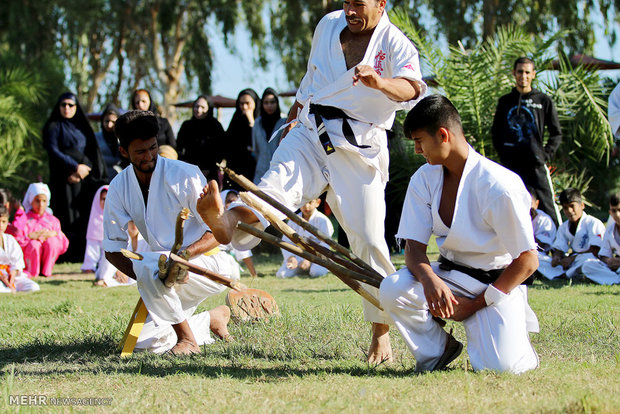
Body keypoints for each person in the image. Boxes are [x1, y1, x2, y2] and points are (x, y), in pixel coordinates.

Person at [197, 0, 426, 363]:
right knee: (272, 190)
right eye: (347, 1)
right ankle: (227, 223)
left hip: (358, 147)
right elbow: (311, 77)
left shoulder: (396, 44)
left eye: (360, 4)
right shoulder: (328, 25)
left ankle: (381, 335)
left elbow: (413, 88)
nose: (351, 9)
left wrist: (380, 82)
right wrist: (292, 118)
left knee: (367, 240)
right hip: (310, 131)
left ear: (381, 4)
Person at [379, 95, 540, 373]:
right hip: (449, 277)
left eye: (419, 141)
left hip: (496, 284)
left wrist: (477, 304)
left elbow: (527, 261)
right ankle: (438, 350)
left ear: (443, 135)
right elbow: (414, 249)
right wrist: (430, 281)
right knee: (393, 288)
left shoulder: (498, 185)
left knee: (502, 368)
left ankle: (506, 339)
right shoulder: (424, 178)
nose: (417, 150)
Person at [103, 110, 235, 355]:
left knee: (152, 264)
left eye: (153, 147)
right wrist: (155, 277)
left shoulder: (184, 174)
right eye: (140, 152)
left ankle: (188, 340)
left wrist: (183, 257)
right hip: (162, 274)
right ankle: (211, 320)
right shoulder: (118, 187)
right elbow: (111, 249)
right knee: (143, 344)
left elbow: (218, 232)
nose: (149, 156)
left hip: (209, 266)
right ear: (124, 152)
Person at [491, 57, 563, 226]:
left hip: (535, 164)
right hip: (511, 166)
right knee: (508, 204)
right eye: (520, 72)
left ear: (533, 75)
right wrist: (503, 155)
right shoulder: (505, 102)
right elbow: (496, 132)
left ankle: (558, 247)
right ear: (514, 73)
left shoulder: (543, 101)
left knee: (547, 204)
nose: (523, 76)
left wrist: (544, 155)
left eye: (527, 72)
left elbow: (556, 133)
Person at [42, 92, 108, 261]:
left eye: (71, 105)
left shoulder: (82, 127)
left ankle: (81, 254)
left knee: (82, 214)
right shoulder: (54, 126)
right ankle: (65, 254)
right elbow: (53, 150)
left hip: (83, 180)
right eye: (63, 105)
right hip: (63, 179)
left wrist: (84, 170)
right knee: (65, 214)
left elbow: (92, 151)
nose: (67, 108)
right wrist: (74, 167)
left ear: (76, 107)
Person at [537, 188, 605, 280]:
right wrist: (556, 257)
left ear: (582, 205)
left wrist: (572, 259)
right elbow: (559, 247)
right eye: (565, 208)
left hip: (588, 260)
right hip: (571, 262)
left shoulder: (593, 223)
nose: (569, 210)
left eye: (572, 206)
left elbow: (595, 251)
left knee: (587, 261)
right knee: (537, 257)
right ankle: (564, 274)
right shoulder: (563, 227)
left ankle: (567, 275)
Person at [12, 183, 69, 278]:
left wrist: (54, 234)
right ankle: (33, 271)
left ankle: (46, 271)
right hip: (28, 258)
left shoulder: (52, 220)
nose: (41, 204)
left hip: (47, 255)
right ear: (31, 201)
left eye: (44, 201)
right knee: (34, 244)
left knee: (52, 242)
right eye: (37, 201)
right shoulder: (24, 220)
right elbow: (16, 241)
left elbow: (63, 244)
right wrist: (29, 237)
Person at [276, 198, 334, 278]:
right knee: (281, 275)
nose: (306, 206)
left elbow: (325, 244)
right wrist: (291, 257)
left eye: (310, 202)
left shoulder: (323, 220)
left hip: (318, 256)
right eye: (303, 203)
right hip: (298, 256)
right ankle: (301, 268)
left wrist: (310, 259)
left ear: (317, 202)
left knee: (316, 272)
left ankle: (314, 268)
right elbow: (286, 241)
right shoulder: (293, 220)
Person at [177, 95, 227, 182]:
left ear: (209, 109)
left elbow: (222, 149)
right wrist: (186, 166)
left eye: (203, 107)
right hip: (188, 174)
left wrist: (210, 169)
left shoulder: (215, 126)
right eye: (197, 106)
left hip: (209, 174)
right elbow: (179, 148)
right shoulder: (186, 126)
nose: (199, 110)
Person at [581, 192, 620, 285]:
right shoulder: (610, 229)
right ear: (610, 212)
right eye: (614, 211)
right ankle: (616, 280)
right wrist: (609, 261)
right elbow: (604, 254)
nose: (617, 214)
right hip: (616, 267)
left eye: (619, 210)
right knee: (588, 265)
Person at [0, 205, 40, 293]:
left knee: (34, 287)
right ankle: (8, 289)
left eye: (3, 222)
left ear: (7, 222)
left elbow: (17, 262)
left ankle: (10, 288)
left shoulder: (10, 240)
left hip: (12, 275)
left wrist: (12, 276)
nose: (1, 225)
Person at [225, 89, 260, 187]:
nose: (244, 107)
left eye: (248, 103)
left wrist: (251, 121)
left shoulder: (260, 121)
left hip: (255, 170)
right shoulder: (235, 121)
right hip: (236, 171)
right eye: (241, 104)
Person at [219, 190, 257, 279]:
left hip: (227, 259)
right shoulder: (214, 221)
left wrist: (254, 275)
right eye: (229, 201)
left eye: (234, 201)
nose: (232, 203)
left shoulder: (238, 222)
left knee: (235, 275)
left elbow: (243, 252)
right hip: (215, 257)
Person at [252, 88, 285, 183]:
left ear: (277, 103)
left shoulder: (284, 122)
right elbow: (256, 150)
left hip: (279, 172)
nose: (269, 105)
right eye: (266, 102)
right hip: (260, 172)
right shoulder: (257, 123)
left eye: (272, 102)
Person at [95, 104, 122, 179]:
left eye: (113, 122)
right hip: (101, 176)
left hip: (119, 176)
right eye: (107, 121)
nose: (109, 125)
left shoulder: (122, 139)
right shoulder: (96, 138)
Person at [528, 185, 557, 252]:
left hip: (539, 255)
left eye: (530, 203)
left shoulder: (545, 220)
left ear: (536, 203)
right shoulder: (516, 216)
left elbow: (540, 247)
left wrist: (525, 225)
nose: (528, 207)